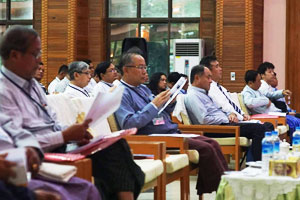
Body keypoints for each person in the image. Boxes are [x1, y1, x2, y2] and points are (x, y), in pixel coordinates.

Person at [0, 26, 144, 200]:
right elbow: (19, 141)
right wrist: (64, 136)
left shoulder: (33, 86)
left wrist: (74, 132)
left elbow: (52, 122)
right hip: (38, 154)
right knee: (106, 170)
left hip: (60, 143)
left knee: (115, 145)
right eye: (35, 54)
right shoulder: (4, 92)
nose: (39, 61)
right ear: (15, 55)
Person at [115, 52, 228, 196]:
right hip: (152, 137)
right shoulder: (121, 93)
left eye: (145, 67)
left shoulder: (142, 88)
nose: (145, 71)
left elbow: (160, 110)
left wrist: (169, 102)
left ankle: (225, 185)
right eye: (140, 67)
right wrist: (153, 105)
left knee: (212, 143)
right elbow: (129, 124)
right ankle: (221, 190)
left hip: (169, 131)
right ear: (126, 69)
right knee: (205, 148)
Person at [185, 65, 274, 161]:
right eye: (208, 77)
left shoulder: (204, 93)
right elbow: (204, 119)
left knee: (268, 126)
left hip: (224, 124)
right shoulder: (193, 95)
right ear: (197, 78)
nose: (211, 81)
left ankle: (256, 160)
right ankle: (258, 164)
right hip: (215, 129)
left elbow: (218, 110)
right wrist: (226, 119)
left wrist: (230, 114)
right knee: (258, 129)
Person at [242, 70, 300, 137]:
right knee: (294, 122)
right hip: (268, 116)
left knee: (297, 121)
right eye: (258, 81)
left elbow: (270, 94)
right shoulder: (247, 92)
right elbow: (249, 103)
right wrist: (266, 100)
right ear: (250, 83)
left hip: (275, 113)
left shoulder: (256, 90)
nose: (261, 83)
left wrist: (281, 93)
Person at [200, 55, 250, 121]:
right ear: (208, 71)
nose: (220, 69)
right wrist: (240, 117)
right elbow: (223, 107)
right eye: (217, 66)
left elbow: (231, 104)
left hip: (237, 118)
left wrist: (243, 114)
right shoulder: (209, 89)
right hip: (230, 120)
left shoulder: (220, 87)